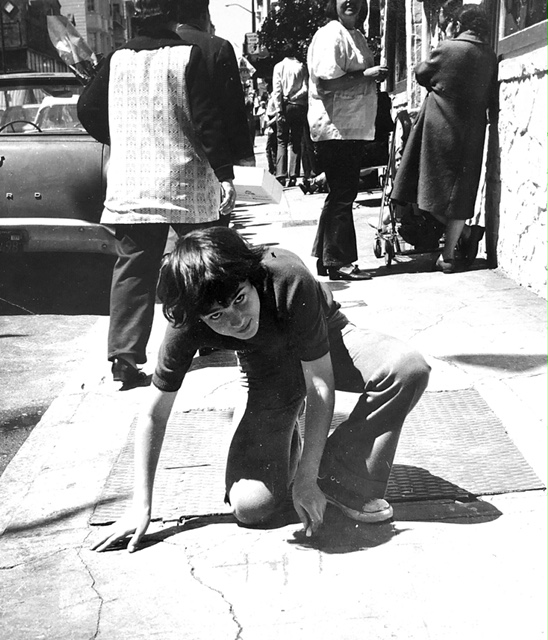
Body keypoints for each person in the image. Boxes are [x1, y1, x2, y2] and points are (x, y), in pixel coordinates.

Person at [91, 227, 430, 552]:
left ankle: (343, 474)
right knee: (252, 507)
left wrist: (308, 478)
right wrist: (141, 505)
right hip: (267, 368)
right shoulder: (186, 318)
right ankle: (275, 427)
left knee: (406, 368)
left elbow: (320, 383)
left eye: (240, 299)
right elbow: (154, 412)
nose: (236, 320)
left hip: (327, 339)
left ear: (252, 277)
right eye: (217, 316)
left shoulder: (287, 275)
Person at [77, 0, 237, 386]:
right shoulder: (188, 55)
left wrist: (125, 140)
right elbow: (207, 120)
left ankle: (124, 357)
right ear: (173, 19)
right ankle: (213, 339)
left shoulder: (115, 60)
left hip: (134, 181)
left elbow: (87, 110)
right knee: (203, 259)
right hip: (186, 178)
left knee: (133, 266)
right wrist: (225, 174)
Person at [390, 5, 498, 273]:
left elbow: (420, 73)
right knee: (460, 193)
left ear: (457, 25)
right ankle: (449, 254)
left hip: (440, 128)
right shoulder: (489, 55)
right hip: (472, 131)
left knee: (423, 190)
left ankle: (463, 237)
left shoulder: (448, 48)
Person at [307, 0, 388, 281]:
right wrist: (368, 74)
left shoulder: (354, 35)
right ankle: (340, 262)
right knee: (343, 194)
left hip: (350, 126)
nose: (350, 2)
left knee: (340, 194)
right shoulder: (331, 33)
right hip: (336, 127)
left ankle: (327, 258)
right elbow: (326, 82)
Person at [175, 0, 255, 168]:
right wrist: (245, 157)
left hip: (172, 157)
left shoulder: (164, 47)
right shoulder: (218, 47)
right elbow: (234, 110)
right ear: (204, 16)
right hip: (215, 159)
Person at [272, 42, 309, 187]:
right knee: (296, 140)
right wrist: (294, 96)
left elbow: (277, 90)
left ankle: (281, 174)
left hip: (284, 107)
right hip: (298, 106)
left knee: (281, 140)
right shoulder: (301, 67)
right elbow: (306, 88)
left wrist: (279, 109)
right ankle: (293, 174)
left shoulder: (279, 67)